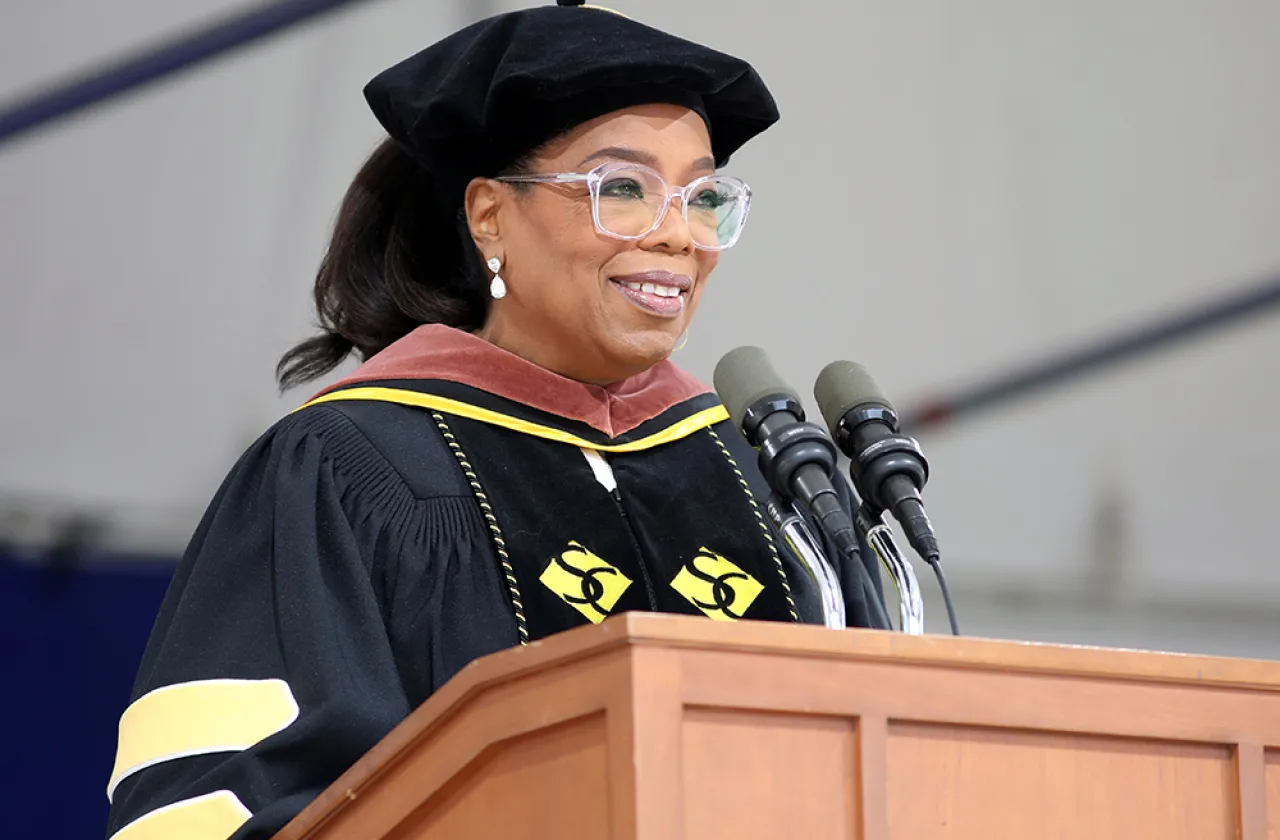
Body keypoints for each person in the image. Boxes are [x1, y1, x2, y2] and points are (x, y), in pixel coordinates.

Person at [104, 2, 889, 837]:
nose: (677, 236)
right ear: (489, 217)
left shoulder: (762, 476)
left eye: (703, 197)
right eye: (622, 188)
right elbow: (214, 804)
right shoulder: (350, 465)